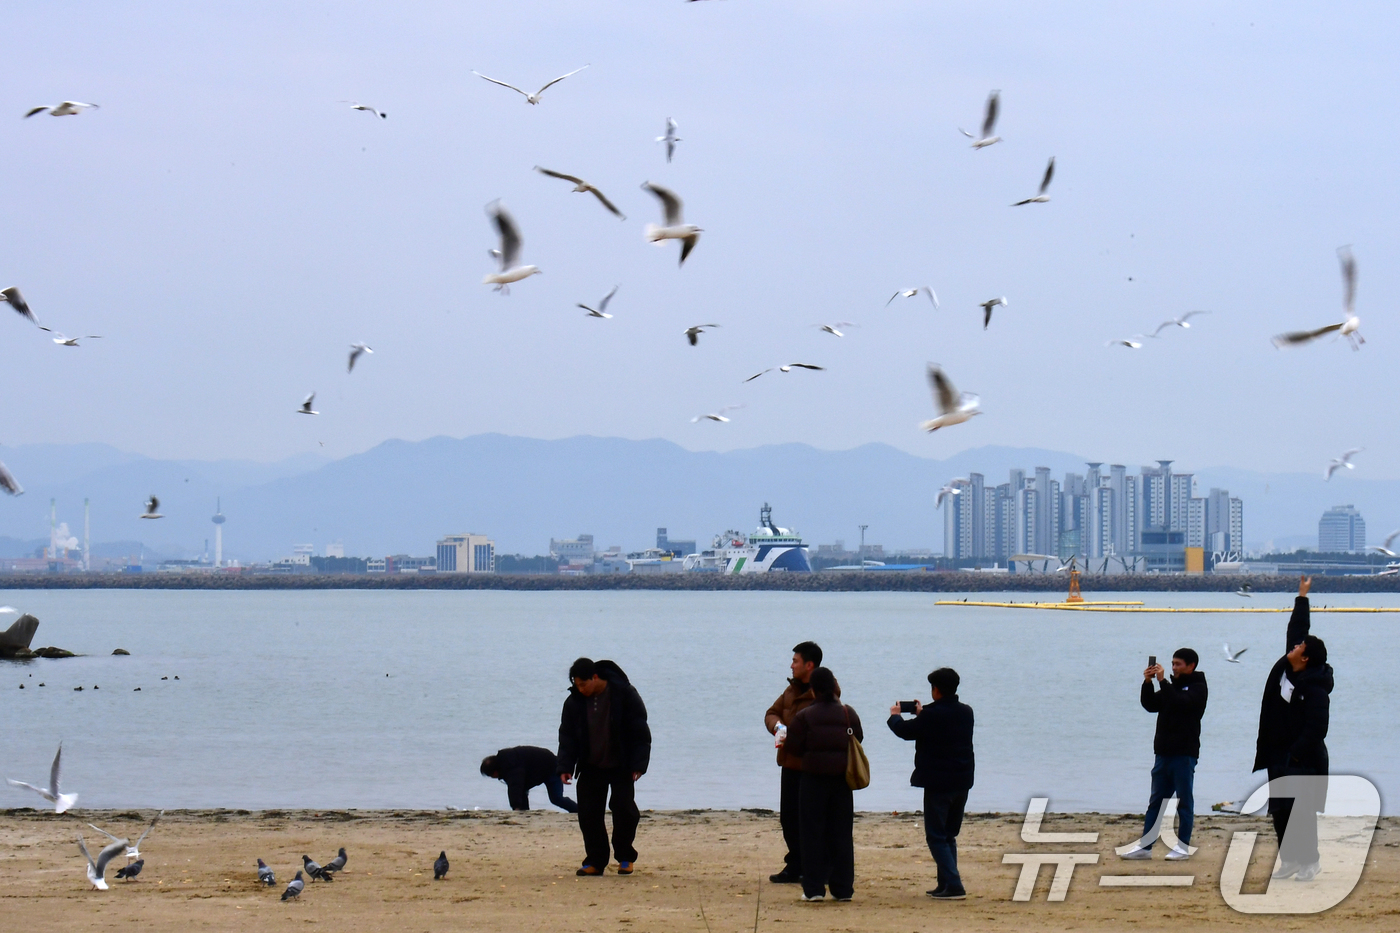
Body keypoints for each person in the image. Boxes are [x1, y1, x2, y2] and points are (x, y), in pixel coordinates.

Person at [1254, 575, 1332, 882]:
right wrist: (1302, 596)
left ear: (1306, 657)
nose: (1295, 646)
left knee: (1301, 813)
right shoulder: (1289, 666)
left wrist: (1295, 755)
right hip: (1277, 753)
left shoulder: (1316, 688)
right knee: (1279, 810)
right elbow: (1297, 629)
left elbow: (1317, 729)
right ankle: (1289, 860)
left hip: (1303, 759)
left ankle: (1310, 861)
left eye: (1300, 647)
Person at [557, 658, 651, 876]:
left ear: (595, 677)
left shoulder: (624, 694)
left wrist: (639, 764)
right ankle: (596, 861)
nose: (580, 689)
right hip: (590, 765)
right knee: (588, 814)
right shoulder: (574, 702)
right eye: (577, 685)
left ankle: (625, 857)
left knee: (624, 810)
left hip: (621, 764)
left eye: (583, 684)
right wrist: (565, 766)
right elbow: (567, 736)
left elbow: (639, 730)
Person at [887, 667, 974, 900]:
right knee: (948, 835)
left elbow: (905, 732)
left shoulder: (931, 716)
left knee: (936, 836)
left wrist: (895, 716)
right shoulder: (966, 712)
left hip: (939, 783)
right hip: (962, 781)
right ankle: (945, 883)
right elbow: (939, 724)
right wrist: (922, 713)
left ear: (935, 690)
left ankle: (954, 884)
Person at [1119, 648, 1208, 860]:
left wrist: (1162, 682)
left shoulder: (1198, 687)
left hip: (1184, 754)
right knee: (1156, 802)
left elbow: (1181, 703)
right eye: (1173, 663)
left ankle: (1182, 847)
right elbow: (1151, 705)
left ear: (1191, 666)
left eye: (1178, 664)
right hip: (1163, 753)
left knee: (1183, 802)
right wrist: (1148, 682)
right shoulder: (1171, 687)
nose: (1174, 667)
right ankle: (1145, 847)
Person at [784, 667, 861, 902]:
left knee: (811, 834)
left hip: (813, 780)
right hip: (842, 781)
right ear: (834, 687)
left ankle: (814, 889)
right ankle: (843, 889)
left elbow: (793, 748)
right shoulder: (848, 713)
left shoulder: (805, 716)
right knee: (841, 834)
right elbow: (858, 738)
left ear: (813, 690)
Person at [764, 640, 823, 884]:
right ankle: (795, 864)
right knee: (788, 819)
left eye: (795, 661)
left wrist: (797, 734)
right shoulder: (790, 690)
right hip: (788, 764)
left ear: (809, 665)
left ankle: (816, 867)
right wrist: (778, 726)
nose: (791, 665)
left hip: (811, 766)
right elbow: (771, 713)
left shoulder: (823, 692)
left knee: (811, 820)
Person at [480, 746, 578, 812]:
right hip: (540, 768)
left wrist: (516, 807)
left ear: (494, 772)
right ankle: (524, 812)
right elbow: (519, 787)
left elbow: (515, 786)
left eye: (491, 775)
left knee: (556, 798)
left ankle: (577, 811)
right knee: (522, 790)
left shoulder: (511, 766)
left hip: (551, 767)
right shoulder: (507, 762)